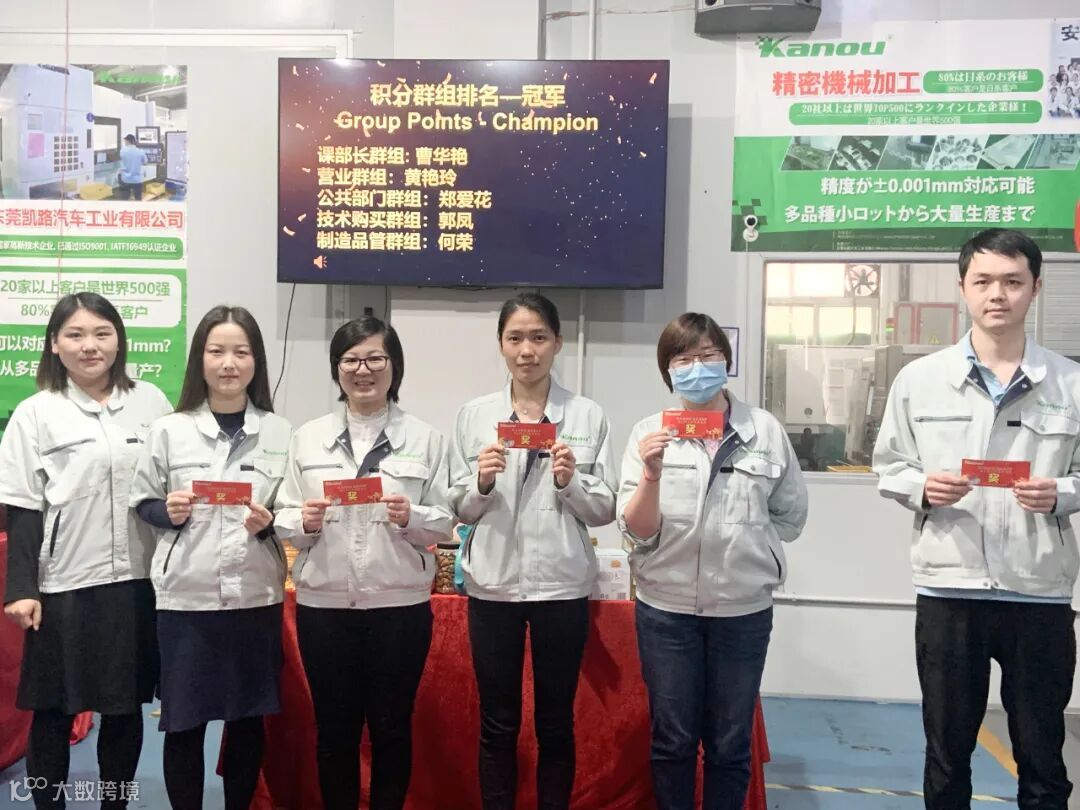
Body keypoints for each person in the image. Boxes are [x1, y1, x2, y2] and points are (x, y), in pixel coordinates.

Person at [873, 228, 1079, 810]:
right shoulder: (920, 380)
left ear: (1036, 288)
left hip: (1038, 591)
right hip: (949, 589)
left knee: (1042, 755)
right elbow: (889, 465)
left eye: (1013, 281)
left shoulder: (1070, 382)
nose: (998, 294)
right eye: (983, 280)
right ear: (962, 287)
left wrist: (1062, 491)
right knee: (946, 755)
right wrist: (922, 487)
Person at [618, 312, 807, 810]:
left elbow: (790, 516)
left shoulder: (763, 431)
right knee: (673, 740)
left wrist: (748, 541)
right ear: (668, 370)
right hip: (667, 613)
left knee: (729, 743)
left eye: (708, 355)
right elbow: (637, 530)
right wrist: (651, 474)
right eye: (683, 359)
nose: (697, 367)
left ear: (727, 361)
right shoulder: (649, 434)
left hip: (742, 613)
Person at [0, 293, 172, 809]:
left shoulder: (151, 402)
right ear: (54, 344)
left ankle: (113, 803)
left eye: (101, 333)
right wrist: (23, 589)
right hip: (65, 582)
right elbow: (23, 507)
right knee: (53, 709)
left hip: (137, 580)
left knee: (124, 709)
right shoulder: (36, 413)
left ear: (119, 339)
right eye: (74, 335)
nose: (89, 345)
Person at [274, 316, 453, 810]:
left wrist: (412, 515)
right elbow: (284, 514)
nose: (363, 370)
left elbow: (445, 522)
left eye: (375, 358)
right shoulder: (307, 438)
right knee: (335, 731)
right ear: (337, 369)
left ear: (395, 367)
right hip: (325, 606)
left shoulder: (426, 438)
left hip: (399, 607)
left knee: (393, 729)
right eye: (350, 360)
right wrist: (304, 521)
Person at [449, 292, 617, 810]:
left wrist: (570, 482)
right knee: (497, 722)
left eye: (539, 337)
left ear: (558, 343)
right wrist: (480, 482)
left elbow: (606, 508)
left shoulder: (586, 415)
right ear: (501, 345)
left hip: (561, 587)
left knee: (555, 722)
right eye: (516, 338)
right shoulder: (475, 415)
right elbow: (455, 504)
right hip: (493, 587)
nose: (528, 350)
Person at [129, 306, 292, 810]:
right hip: (187, 597)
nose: (228, 363)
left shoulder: (280, 432)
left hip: (254, 596)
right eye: (216, 351)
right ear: (199, 359)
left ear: (256, 361)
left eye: (241, 352)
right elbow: (142, 500)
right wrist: (168, 511)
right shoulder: (169, 429)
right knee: (184, 723)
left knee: (247, 719)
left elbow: (292, 507)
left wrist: (272, 520)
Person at [117, 135, 147, 201]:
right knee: (138, 199)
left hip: (125, 179)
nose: (124, 142)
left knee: (124, 199)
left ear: (128, 141)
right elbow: (145, 162)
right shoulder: (141, 152)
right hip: (136, 180)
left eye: (125, 141)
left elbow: (122, 160)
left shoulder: (122, 151)